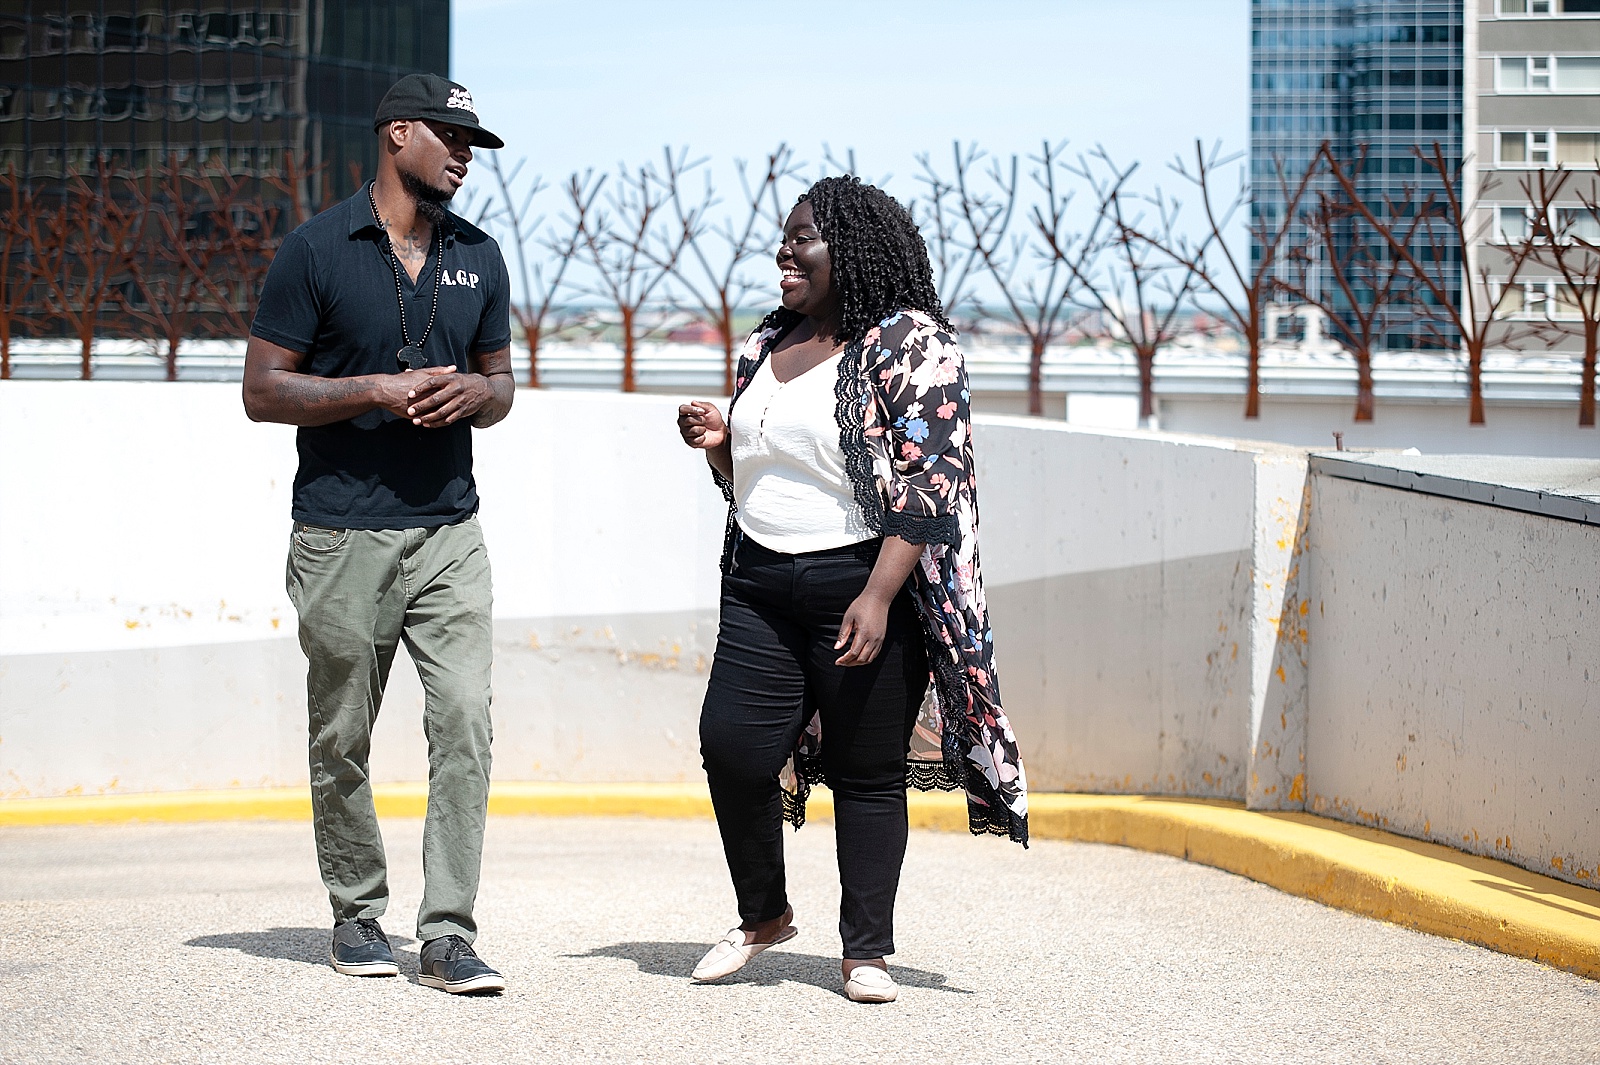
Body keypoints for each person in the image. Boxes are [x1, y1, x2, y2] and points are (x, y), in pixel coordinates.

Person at [675, 176, 1029, 1004]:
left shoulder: (912, 342)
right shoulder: (768, 340)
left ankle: (865, 950)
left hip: (865, 581)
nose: (783, 253)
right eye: (783, 238)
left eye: (803, 239)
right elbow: (756, 478)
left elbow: (934, 478)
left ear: (854, 248)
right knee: (732, 747)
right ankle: (763, 915)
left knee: (867, 771)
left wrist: (876, 596)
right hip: (759, 581)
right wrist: (719, 442)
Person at [242, 73, 513, 995]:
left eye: (472, 141)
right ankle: (357, 914)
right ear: (399, 133)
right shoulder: (315, 249)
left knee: (467, 724)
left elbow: (502, 386)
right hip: (341, 533)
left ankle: (446, 934)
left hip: (449, 533)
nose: (466, 155)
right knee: (342, 735)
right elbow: (261, 392)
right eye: (452, 136)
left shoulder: (481, 255)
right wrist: (372, 389)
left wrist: (481, 396)